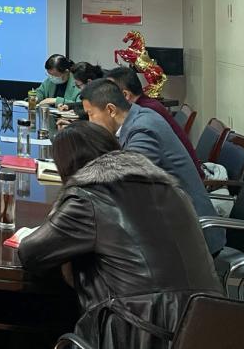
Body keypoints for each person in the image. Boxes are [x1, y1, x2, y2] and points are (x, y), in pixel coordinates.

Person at [18, 122, 221, 349]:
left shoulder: (88, 198)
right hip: (207, 325)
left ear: (66, 166)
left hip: (139, 332)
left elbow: (31, 254)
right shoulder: (175, 192)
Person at [79, 80, 224, 253]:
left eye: (91, 114)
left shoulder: (143, 128)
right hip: (170, 222)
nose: (90, 121)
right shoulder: (139, 116)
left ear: (110, 110)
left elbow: (127, 179)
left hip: (191, 237)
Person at [105, 66, 203, 176]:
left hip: (182, 179)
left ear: (125, 95)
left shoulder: (146, 113)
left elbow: (136, 168)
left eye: (109, 93)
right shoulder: (144, 105)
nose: (105, 99)